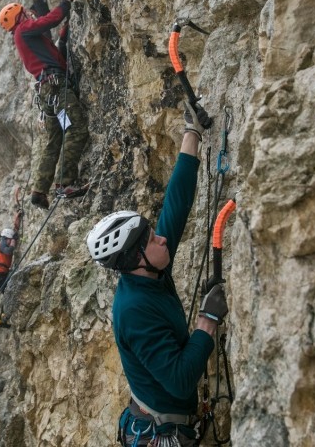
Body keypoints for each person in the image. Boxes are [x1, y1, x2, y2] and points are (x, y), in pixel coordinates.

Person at [86, 101, 228, 446]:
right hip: (162, 433)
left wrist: (191, 134)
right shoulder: (134, 310)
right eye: (151, 239)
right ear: (136, 259)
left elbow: (175, 208)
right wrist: (207, 320)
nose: (162, 238)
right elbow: (179, 379)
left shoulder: (150, 271)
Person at [0, 0, 89, 210]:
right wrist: (66, 0)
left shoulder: (26, 38)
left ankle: (39, 189)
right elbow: (52, 19)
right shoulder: (24, 30)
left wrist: (64, 37)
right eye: (25, 12)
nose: (29, 14)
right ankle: (64, 183)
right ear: (19, 18)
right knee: (76, 128)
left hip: (47, 91)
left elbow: (53, 55)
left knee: (54, 141)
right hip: (55, 89)